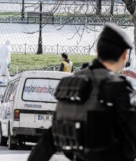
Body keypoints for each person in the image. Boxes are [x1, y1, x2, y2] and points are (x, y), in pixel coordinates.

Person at [28, 22, 136, 161]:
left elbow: (49, 138)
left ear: (97, 50)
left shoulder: (71, 84)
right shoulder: (117, 87)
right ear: (124, 55)